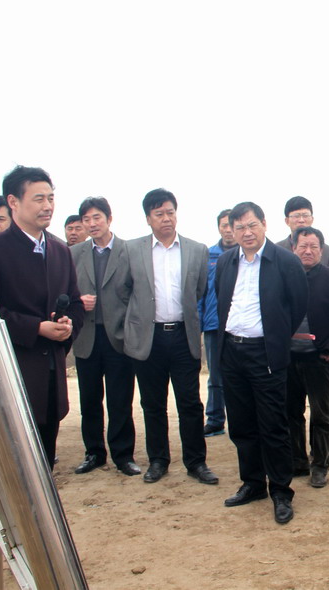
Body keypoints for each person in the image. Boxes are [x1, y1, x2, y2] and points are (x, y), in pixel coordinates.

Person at [0, 166, 84, 469]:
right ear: (13, 201)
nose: (47, 206)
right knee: (11, 465)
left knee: (45, 462)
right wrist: (36, 327)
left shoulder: (61, 251)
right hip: (9, 373)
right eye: (38, 199)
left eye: (50, 198)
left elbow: (76, 303)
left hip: (51, 376)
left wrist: (67, 326)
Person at [215, 202, 307, 524]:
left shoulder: (285, 261)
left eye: (252, 225)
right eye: (239, 227)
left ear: (264, 224)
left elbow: (298, 305)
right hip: (232, 351)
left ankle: (281, 490)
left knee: (273, 425)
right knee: (241, 424)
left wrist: (276, 337)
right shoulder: (226, 261)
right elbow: (222, 298)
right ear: (232, 231)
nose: (247, 232)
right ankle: (252, 483)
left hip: (265, 353)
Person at [124, 189, 217, 486]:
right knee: (153, 404)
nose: (166, 218)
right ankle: (158, 460)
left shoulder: (196, 250)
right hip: (148, 337)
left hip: (182, 336)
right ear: (148, 219)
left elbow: (199, 290)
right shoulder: (132, 249)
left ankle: (196, 462)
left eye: (170, 212)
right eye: (159, 214)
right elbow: (124, 291)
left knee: (190, 402)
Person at [70, 197, 139, 476]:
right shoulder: (74, 253)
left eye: (96, 217)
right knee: (89, 400)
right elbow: (64, 290)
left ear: (109, 219)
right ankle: (94, 453)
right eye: (86, 219)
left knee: (120, 399)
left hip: (118, 337)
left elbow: (138, 291)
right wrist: (77, 301)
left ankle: (123, 456)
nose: (91, 223)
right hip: (86, 336)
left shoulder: (128, 251)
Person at [286, 226, 329, 488]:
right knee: (291, 412)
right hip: (289, 358)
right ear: (293, 248)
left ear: (321, 250)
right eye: (303, 246)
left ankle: (320, 464)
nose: (308, 251)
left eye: (313, 246)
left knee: (321, 414)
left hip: (319, 360)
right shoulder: (285, 277)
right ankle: (297, 461)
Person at [199, 209, 237, 437]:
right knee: (215, 376)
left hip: (239, 325)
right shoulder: (208, 255)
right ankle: (215, 420)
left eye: (231, 225)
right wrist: (199, 321)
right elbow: (201, 291)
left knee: (241, 375)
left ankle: (241, 419)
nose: (228, 230)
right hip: (214, 325)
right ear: (219, 228)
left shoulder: (246, 253)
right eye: (224, 225)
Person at [275, 196, 329, 268]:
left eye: (305, 215)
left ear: (312, 219)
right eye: (296, 216)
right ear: (287, 221)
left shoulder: (327, 251)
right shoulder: (276, 249)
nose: (301, 220)